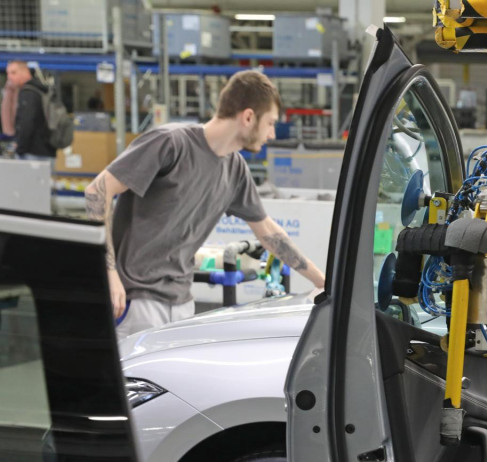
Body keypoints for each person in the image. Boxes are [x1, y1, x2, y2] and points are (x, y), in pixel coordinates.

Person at [84, 70, 326, 338]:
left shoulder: (235, 169)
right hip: (136, 301)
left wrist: (323, 282)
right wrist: (109, 273)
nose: (271, 134)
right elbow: (97, 191)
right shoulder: (171, 143)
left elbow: (268, 232)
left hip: (181, 302)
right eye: (270, 123)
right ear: (248, 117)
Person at [2, 60, 55, 160]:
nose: (9, 77)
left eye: (13, 72)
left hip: (33, 153)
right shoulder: (39, 90)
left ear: (24, 72)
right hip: (45, 151)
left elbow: (27, 122)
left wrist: (20, 149)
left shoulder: (28, 93)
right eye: (8, 73)